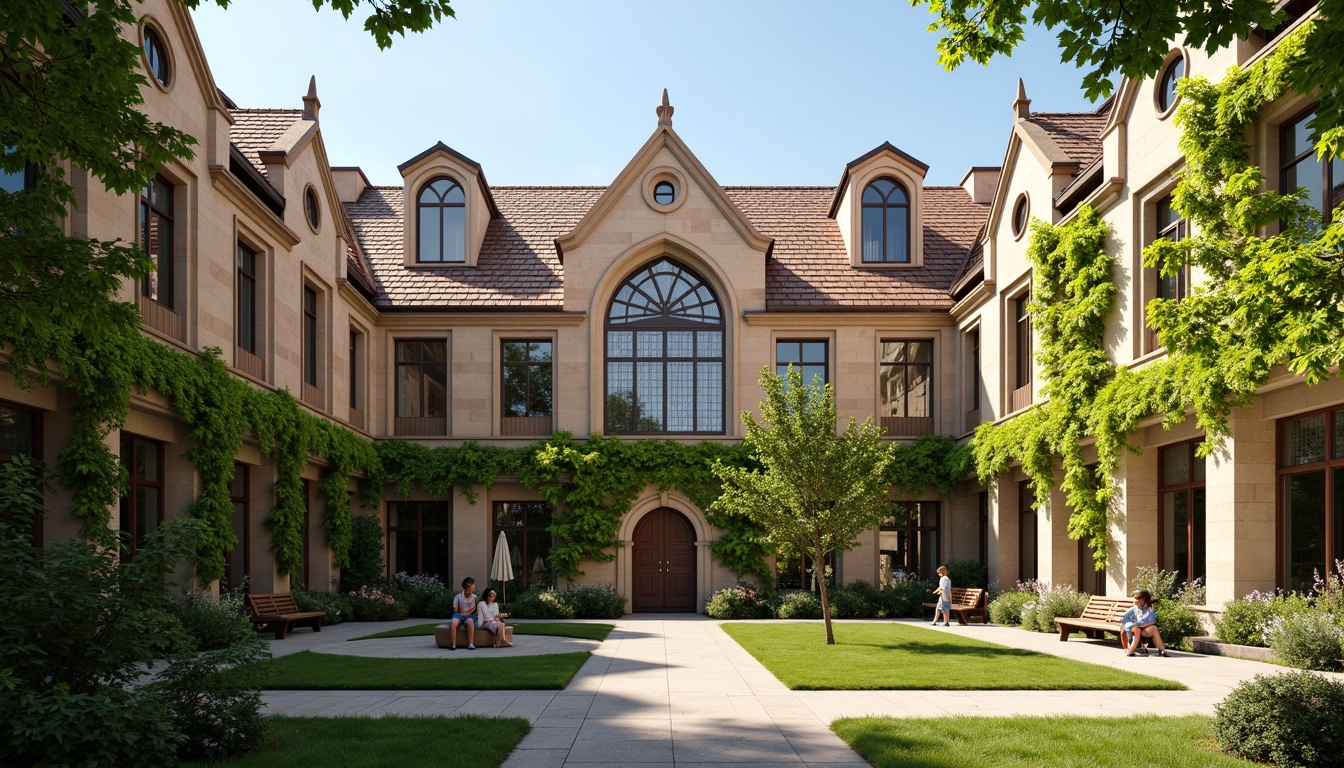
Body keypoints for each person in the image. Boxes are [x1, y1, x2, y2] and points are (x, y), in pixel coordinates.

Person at [1121, 589, 1170, 657]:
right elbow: (1123, 619)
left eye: (1140, 599)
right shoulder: (1133, 609)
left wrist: (1143, 625)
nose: (1137, 601)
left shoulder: (1149, 610)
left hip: (1144, 629)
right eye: (1136, 598)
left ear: (1145, 600)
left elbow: (1152, 621)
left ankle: (1162, 650)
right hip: (1134, 628)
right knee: (1137, 630)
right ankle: (1130, 651)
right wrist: (1133, 623)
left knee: (1154, 628)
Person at [448, 577, 478, 650]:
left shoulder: (475, 597)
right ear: (468, 586)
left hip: (470, 615)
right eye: (473, 585)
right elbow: (456, 610)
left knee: (470, 621)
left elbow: (475, 609)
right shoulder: (458, 597)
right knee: (453, 623)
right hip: (459, 615)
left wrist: (468, 613)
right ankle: (453, 644)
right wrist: (461, 612)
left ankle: (471, 643)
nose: (474, 587)